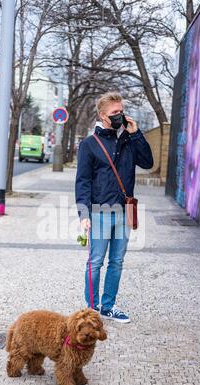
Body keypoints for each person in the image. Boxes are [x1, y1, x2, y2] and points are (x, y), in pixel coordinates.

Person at [75, 91, 153, 324]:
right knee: (95, 262)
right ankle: (91, 310)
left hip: (123, 213)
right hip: (99, 212)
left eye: (121, 111)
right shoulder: (89, 144)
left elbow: (148, 163)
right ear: (103, 115)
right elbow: (83, 181)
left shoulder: (129, 140)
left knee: (117, 262)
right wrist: (83, 214)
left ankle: (108, 306)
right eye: (115, 113)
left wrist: (136, 134)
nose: (120, 115)